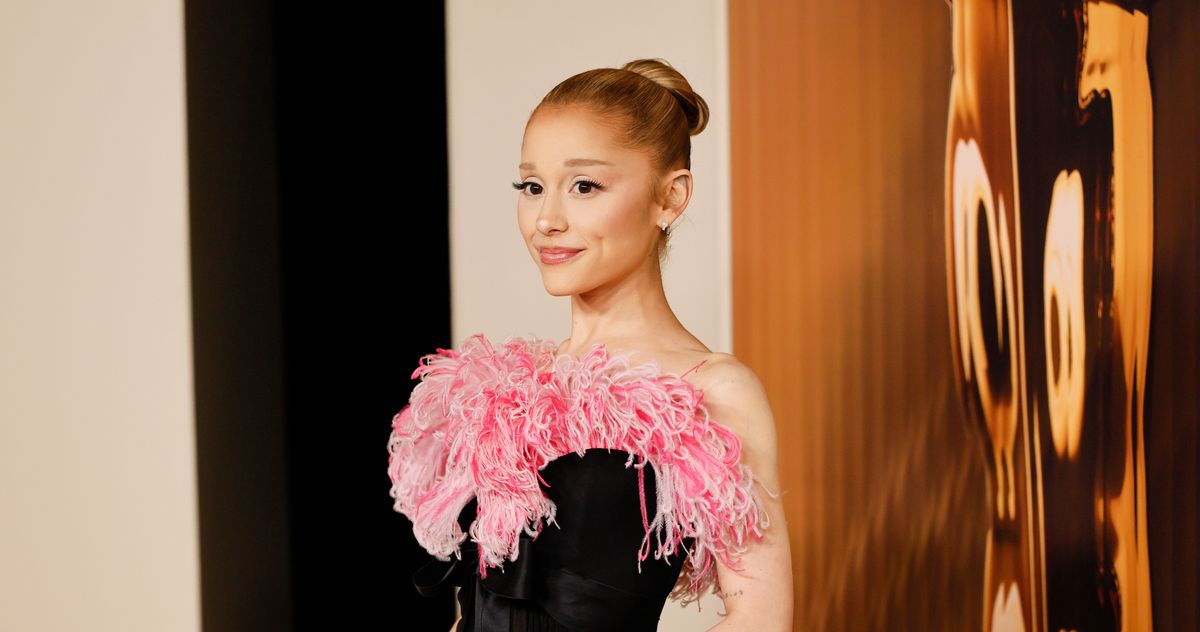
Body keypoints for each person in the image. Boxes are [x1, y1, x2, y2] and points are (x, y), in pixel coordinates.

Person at [387, 57, 793, 632]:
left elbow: (760, 616)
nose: (546, 219)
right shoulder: (508, 395)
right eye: (532, 187)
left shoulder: (707, 389)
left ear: (670, 197)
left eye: (584, 186)